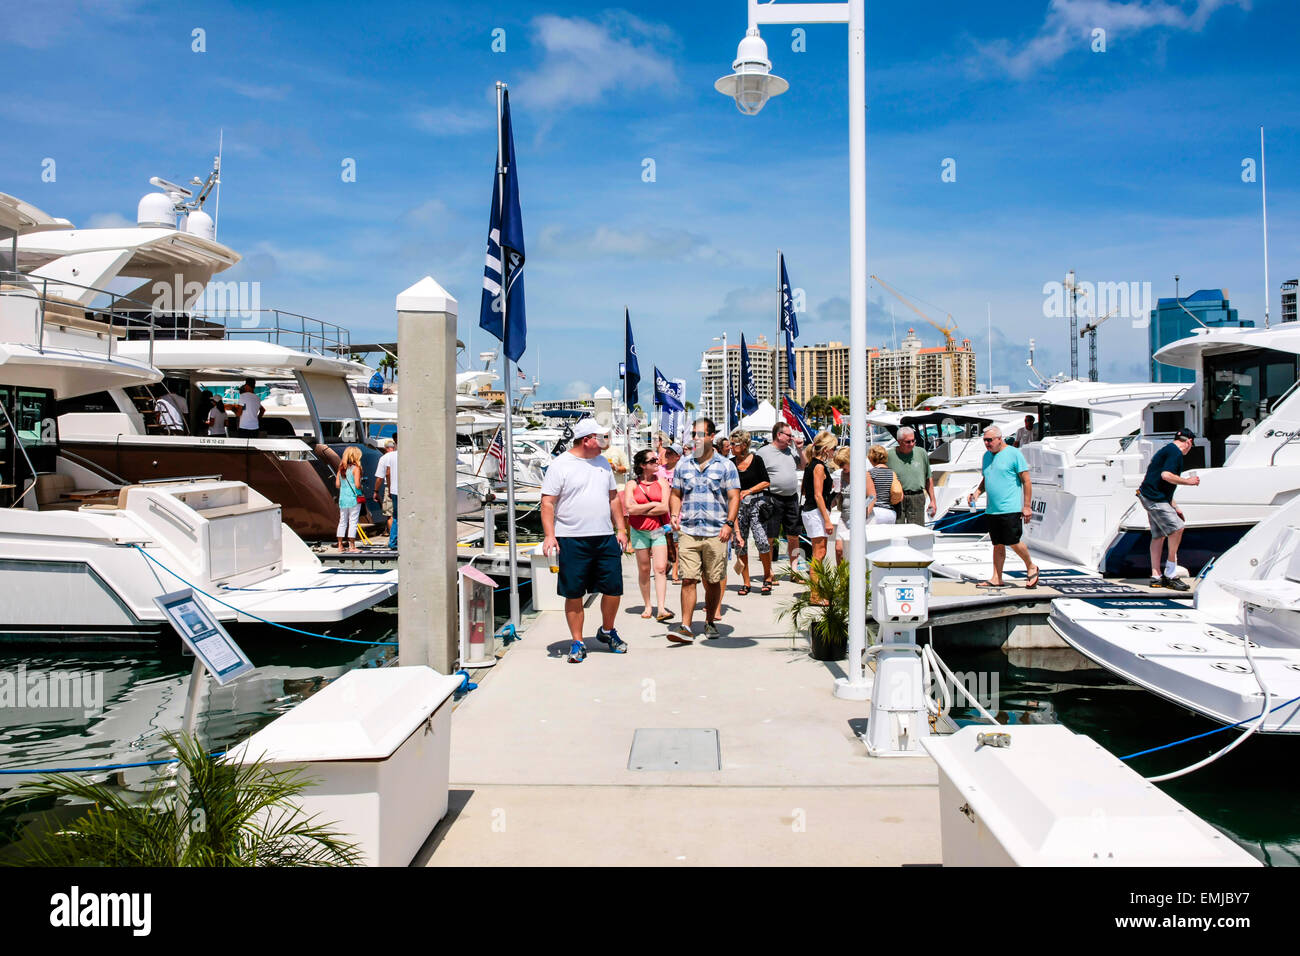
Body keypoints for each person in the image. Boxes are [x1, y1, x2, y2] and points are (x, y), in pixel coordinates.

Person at [540, 419, 629, 663]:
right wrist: (550, 535)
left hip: (604, 537)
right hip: (571, 538)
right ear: (586, 439)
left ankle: (607, 631)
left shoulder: (603, 463)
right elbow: (547, 502)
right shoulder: (560, 465)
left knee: (613, 588)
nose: (604, 442)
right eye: (600, 438)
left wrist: (620, 529)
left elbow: (613, 498)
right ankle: (577, 642)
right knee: (574, 592)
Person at [667, 418, 740, 643]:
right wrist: (674, 514)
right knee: (688, 578)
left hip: (716, 530)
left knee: (713, 579)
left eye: (700, 434)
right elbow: (676, 494)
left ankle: (709, 620)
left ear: (711, 437)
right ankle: (685, 626)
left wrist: (729, 524)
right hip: (689, 529)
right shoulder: (683, 465)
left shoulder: (726, 466)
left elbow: (734, 496)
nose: (696, 438)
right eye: (694, 435)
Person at [968, 426, 1038, 588]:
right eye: (984, 440)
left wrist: (1027, 506)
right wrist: (977, 493)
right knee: (997, 543)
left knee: (1013, 541)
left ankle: (1031, 566)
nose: (987, 443)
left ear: (1000, 439)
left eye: (989, 440)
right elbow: (987, 479)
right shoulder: (986, 456)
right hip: (992, 509)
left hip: (1010, 507)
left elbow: (1026, 480)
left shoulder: (1014, 454)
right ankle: (996, 577)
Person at [1137, 427, 1200, 591]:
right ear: (1189, 442)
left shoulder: (1167, 450)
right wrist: (1189, 481)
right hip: (1154, 498)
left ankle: (1156, 576)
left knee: (1158, 536)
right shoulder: (1175, 453)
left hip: (1150, 496)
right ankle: (1171, 573)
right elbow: (1166, 476)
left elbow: (1162, 484)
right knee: (1178, 528)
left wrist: (1175, 507)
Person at [623, 448, 672, 621]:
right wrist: (652, 506)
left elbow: (664, 507)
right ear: (643, 465)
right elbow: (629, 509)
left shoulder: (662, 482)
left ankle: (661, 607)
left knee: (660, 568)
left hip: (657, 530)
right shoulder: (632, 485)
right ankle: (647, 605)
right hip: (638, 531)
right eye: (652, 461)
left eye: (657, 459)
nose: (657, 462)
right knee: (644, 569)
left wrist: (640, 508)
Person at [757, 422, 803, 582]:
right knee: (770, 537)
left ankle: (795, 571)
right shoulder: (763, 453)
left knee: (794, 536)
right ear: (779, 435)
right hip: (772, 498)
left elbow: (803, 465)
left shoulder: (791, 451)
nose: (792, 438)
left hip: (791, 498)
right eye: (789, 435)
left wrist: (800, 449)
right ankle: (768, 572)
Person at [729, 428, 772, 595]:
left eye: (734, 444)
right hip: (738, 506)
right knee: (740, 544)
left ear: (744, 445)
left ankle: (767, 576)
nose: (731, 446)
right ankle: (746, 582)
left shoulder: (757, 460)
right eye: (731, 443)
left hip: (756, 503)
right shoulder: (731, 463)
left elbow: (766, 482)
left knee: (762, 541)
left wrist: (749, 491)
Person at [800, 431, 837, 597]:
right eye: (834, 448)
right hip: (815, 512)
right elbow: (817, 495)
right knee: (819, 553)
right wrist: (827, 519)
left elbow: (806, 490)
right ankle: (815, 594)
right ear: (826, 449)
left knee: (818, 552)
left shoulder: (810, 464)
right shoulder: (819, 467)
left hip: (811, 511)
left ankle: (816, 590)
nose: (834, 452)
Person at [887, 426, 936, 525]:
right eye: (908, 442)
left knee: (917, 530)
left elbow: (928, 479)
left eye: (913, 441)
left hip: (917, 497)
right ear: (899, 441)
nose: (912, 444)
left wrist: (933, 501)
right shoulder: (889, 456)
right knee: (897, 531)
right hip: (897, 499)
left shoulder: (922, 453)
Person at [658, 442, 683, 584]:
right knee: (662, 540)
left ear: (678, 457)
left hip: (677, 511)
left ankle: (675, 573)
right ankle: (666, 564)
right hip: (661, 512)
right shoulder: (659, 471)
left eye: (671, 453)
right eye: (667, 452)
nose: (667, 454)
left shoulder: (680, 471)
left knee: (676, 542)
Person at [335, 445, 365, 553]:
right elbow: (357, 485)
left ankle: (340, 545)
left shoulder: (341, 468)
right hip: (354, 498)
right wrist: (362, 487)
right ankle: (352, 546)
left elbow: (337, 485)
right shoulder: (356, 468)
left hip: (343, 499)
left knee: (342, 521)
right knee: (353, 521)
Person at [373, 436, 398, 550]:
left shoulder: (385, 458)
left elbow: (383, 475)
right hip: (403, 489)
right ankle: (395, 540)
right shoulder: (402, 455)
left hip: (392, 488)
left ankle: (392, 540)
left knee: (391, 515)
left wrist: (376, 491)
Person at [867, 444, 901, 525]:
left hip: (875, 511)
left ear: (871, 458)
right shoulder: (892, 473)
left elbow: (869, 496)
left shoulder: (870, 473)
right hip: (890, 513)